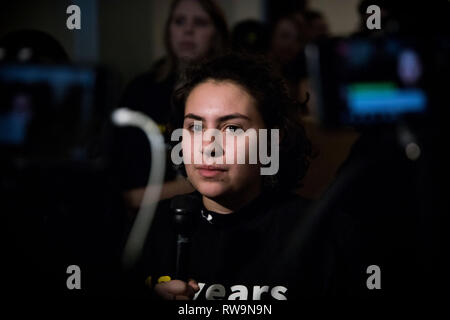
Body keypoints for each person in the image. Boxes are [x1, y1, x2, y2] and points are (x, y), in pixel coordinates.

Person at [129, 53, 342, 301]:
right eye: (195, 127)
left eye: (232, 128)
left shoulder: (322, 232)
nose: (209, 146)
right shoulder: (144, 230)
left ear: (274, 138)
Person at [112, 0, 229, 213]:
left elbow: (219, 174)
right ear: (169, 31)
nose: (188, 30)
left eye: (200, 22)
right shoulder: (141, 87)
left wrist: (134, 198)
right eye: (179, 21)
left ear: (216, 34)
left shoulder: (228, 95)